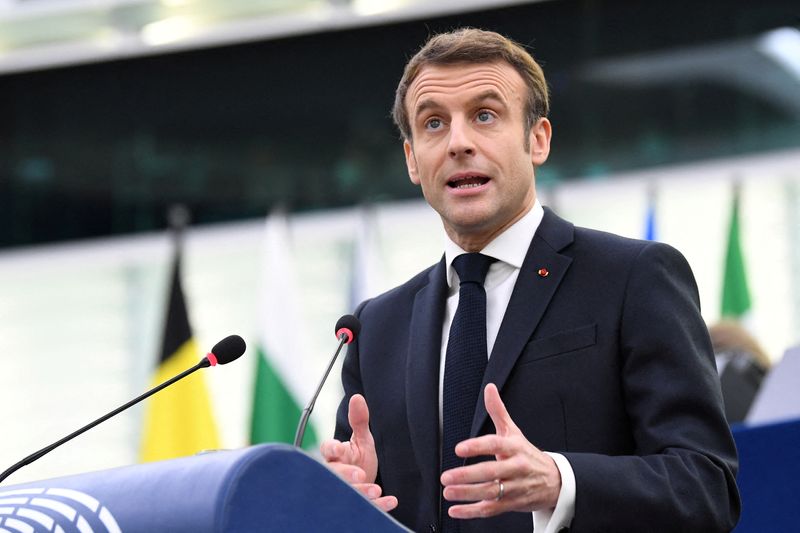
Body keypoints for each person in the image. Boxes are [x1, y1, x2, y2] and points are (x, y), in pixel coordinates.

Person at [321, 28, 740, 533]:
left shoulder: (634, 278)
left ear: (537, 139)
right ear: (413, 159)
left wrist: (560, 482)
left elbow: (706, 486)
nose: (458, 143)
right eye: (434, 123)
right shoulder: (375, 327)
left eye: (485, 115)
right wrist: (343, 501)